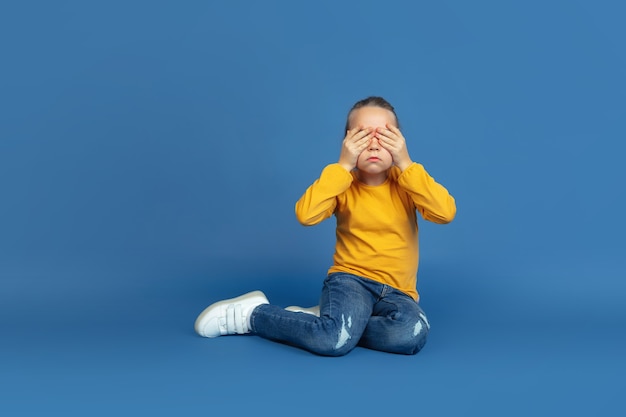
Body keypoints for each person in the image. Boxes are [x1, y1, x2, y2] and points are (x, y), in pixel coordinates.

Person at [194, 96, 456, 356]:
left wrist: (406, 162)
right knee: (334, 341)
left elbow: (445, 213)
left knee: (411, 333)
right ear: (347, 143)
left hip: (399, 292)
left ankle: (329, 321)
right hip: (351, 281)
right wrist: (343, 165)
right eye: (363, 136)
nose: (374, 145)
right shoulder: (342, 182)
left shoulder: (408, 182)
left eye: (385, 136)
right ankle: (253, 315)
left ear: (399, 142)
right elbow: (306, 215)